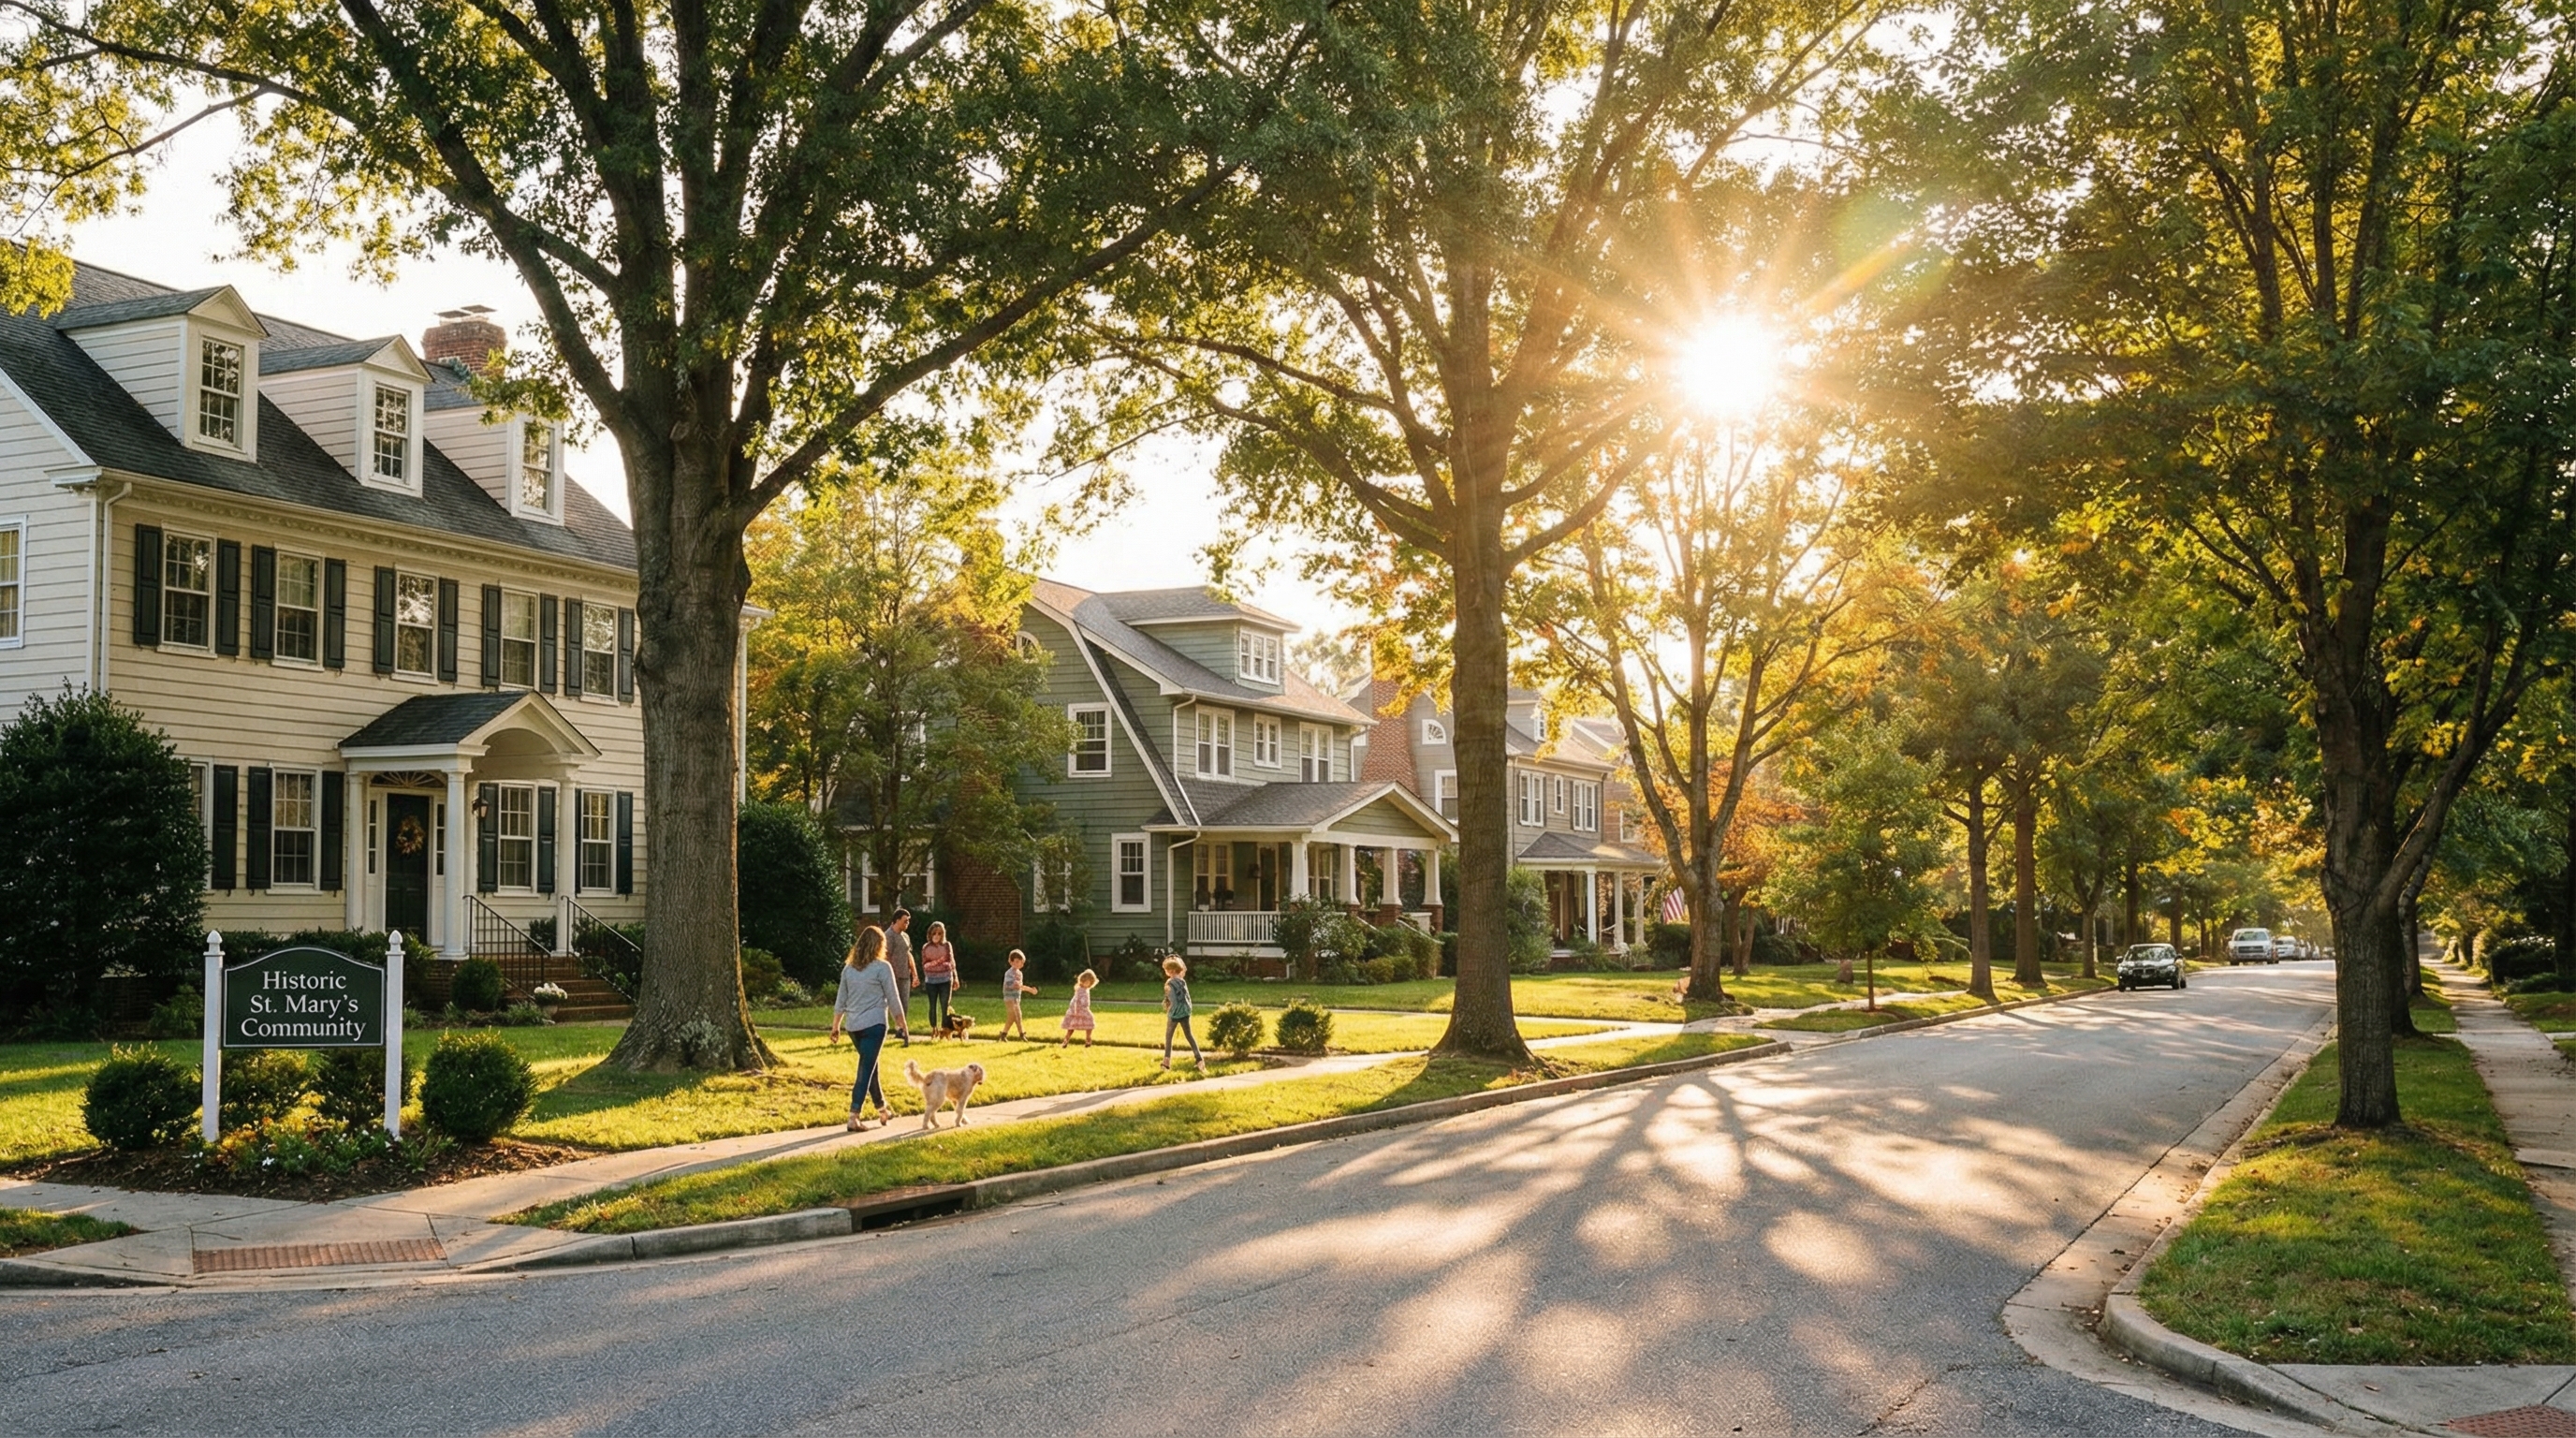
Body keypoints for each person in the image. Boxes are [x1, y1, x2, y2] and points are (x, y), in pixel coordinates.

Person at [828, 927, 910, 1130]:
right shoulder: (882, 968)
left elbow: (841, 1000)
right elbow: (893, 998)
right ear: (879, 946)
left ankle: (882, 1109)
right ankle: (854, 1115)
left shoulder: (848, 969)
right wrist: (902, 1024)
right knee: (866, 1068)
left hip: (853, 1027)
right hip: (875, 1025)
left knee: (870, 1065)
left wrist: (836, 1026)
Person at [1161, 955, 1202, 1070]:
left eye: (1167, 970)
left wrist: (1169, 1010)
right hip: (1186, 1012)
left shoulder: (1169, 983)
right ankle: (1199, 1059)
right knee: (1189, 1036)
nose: (1166, 972)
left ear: (1171, 970)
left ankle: (1166, 1062)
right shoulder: (1182, 981)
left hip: (1174, 1014)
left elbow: (1172, 1001)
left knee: (1169, 1037)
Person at [919, 920, 959, 1034]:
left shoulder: (947, 946)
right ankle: (933, 1028)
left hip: (946, 979)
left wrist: (955, 977)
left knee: (944, 1004)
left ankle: (944, 1029)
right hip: (931, 981)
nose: (936, 936)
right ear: (930, 934)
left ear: (943, 935)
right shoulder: (926, 947)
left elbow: (951, 963)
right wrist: (940, 963)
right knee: (932, 1005)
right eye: (934, 933)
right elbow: (925, 966)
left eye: (939, 934)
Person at [886, 909, 916, 1045]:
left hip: (905, 975)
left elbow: (909, 954)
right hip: (894, 975)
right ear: (897, 920)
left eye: (908, 921)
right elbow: (887, 956)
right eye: (905, 921)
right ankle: (895, 1028)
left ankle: (901, 1030)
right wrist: (892, 973)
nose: (907, 923)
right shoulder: (889, 936)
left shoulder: (905, 936)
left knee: (904, 1004)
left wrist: (914, 973)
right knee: (893, 1004)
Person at [1000, 950, 1039, 1040]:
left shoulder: (1019, 974)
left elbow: (1020, 986)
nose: (1018, 964)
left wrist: (1030, 990)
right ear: (1011, 961)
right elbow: (1011, 985)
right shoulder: (1009, 973)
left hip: (1017, 997)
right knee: (1016, 1015)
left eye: (1020, 962)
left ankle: (1004, 1034)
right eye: (1016, 962)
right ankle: (1021, 1034)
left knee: (1015, 1016)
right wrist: (1029, 989)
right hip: (1009, 997)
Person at [1060, 968, 1098, 1049]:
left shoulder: (1086, 989)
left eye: (1089, 983)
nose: (1087, 984)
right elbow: (1076, 1000)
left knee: (1089, 1023)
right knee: (1072, 1027)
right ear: (1082, 981)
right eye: (1086, 982)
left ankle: (1088, 1039)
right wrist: (1076, 1010)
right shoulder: (1080, 990)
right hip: (1077, 1010)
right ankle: (1066, 1040)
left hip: (1083, 1009)